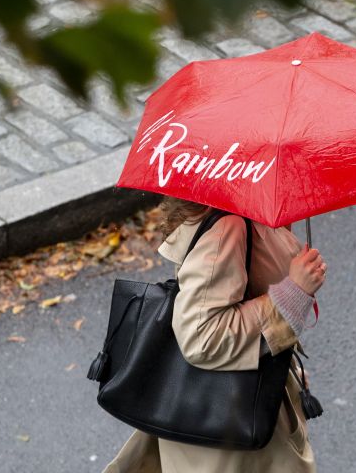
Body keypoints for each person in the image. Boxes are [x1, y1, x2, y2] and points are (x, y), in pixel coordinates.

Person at [101, 196, 327, 473]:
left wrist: (284, 371)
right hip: (230, 430)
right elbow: (202, 336)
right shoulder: (229, 226)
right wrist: (293, 292)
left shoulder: (246, 211)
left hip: (236, 407)